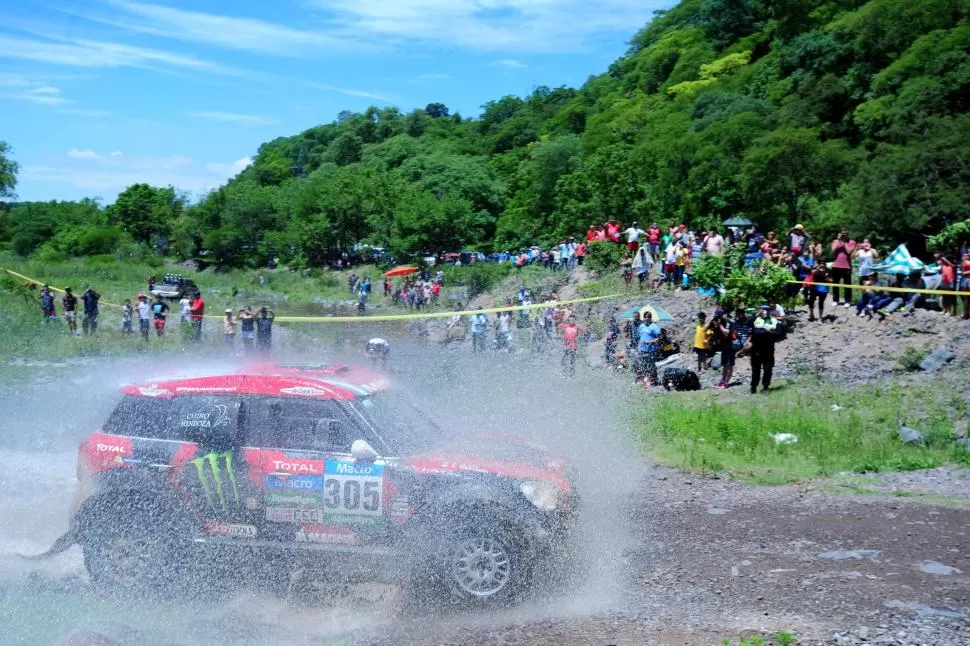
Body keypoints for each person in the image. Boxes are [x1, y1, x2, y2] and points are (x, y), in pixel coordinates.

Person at [743, 305, 779, 394]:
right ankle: (753, 387)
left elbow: (778, 333)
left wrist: (769, 331)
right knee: (755, 369)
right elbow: (746, 324)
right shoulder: (756, 320)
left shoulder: (773, 320)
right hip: (756, 348)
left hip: (768, 347)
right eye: (762, 310)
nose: (763, 312)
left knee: (768, 368)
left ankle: (766, 385)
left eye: (765, 310)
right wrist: (755, 316)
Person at [709, 308, 736, 389]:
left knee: (729, 364)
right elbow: (705, 329)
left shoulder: (727, 322)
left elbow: (726, 333)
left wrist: (720, 325)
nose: (718, 318)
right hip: (723, 345)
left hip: (731, 345)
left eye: (719, 316)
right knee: (724, 364)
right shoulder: (716, 321)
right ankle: (722, 381)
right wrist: (711, 320)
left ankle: (726, 382)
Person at [830, 228, 856, 307]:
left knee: (847, 284)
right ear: (840, 233)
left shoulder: (852, 242)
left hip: (847, 266)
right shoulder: (835, 241)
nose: (844, 235)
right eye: (843, 234)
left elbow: (849, 252)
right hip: (836, 265)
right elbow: (833, 251)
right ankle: (835, 300)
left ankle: (847, 301)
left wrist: (844, 243)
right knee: (835, 284)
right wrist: (839, 241)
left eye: (846, 234)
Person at [636, 312, 662, 387]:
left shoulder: (655, 327)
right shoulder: (641, 326)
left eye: (648, 317)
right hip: (642, 349)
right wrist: (639, 347)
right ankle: (646, 379)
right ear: (643, 318)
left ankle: (652, 380)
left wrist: (651, 342)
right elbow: (640, 337)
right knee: (643, 365)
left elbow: (659, 338)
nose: (647, 319)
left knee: (651, 366)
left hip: (652, 350)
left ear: (651, 318)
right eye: (645, 317)